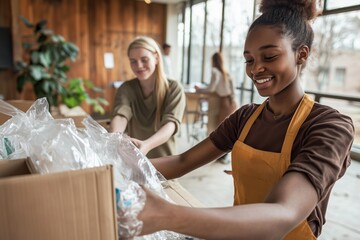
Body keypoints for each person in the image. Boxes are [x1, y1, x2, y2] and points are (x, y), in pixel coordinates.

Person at [136, 0, 355, 239]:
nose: (256, 69)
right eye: (249, 60)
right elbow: (183, 160)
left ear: (301, 54)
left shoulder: (330, 127)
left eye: (269, 56)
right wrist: (123, 165)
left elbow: (283, 214)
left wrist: (167, 215)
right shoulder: (245, 118)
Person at [110, 36, 186, 158]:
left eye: (144, 59)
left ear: (156, 58)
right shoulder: (126, 88)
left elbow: (170, 124)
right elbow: (121, 115)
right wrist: (115, 137)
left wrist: (146, 145)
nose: (139, 66)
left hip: (165, 163)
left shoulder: (174, 88)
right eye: (133, 61)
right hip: (136, 162)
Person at [195, 52, 238, 163]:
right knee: (228, 128)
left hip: (224, 101)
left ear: (213, 61)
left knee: (222, 129)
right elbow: (233, 89)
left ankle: (222, 155)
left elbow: (211, 88)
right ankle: (224, 155)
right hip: (232, 101)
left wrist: (200, 89)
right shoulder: (226, 73)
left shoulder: (215, 72)